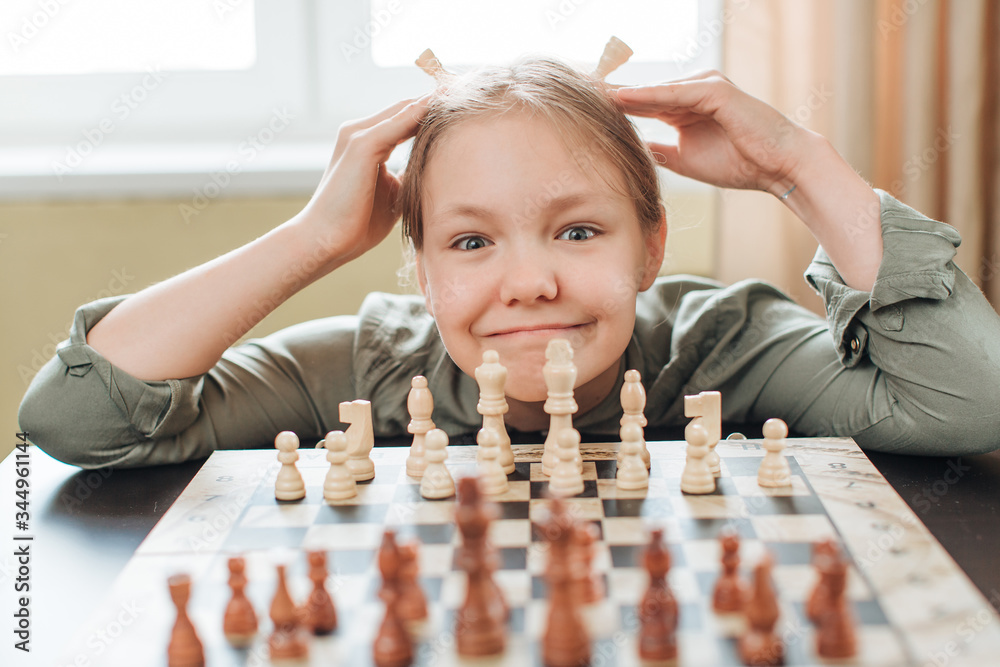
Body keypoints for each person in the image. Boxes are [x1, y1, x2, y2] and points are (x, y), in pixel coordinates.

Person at [18, 58, 1000, 469]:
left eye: (578, 232)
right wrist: (311, 239)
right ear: (420, 269)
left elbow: (970, 401)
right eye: (470, 242)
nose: (529, 282)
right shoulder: (370, 368)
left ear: (652, 246)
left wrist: (797, 163)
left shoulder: (724, 343)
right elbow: (77, 416)